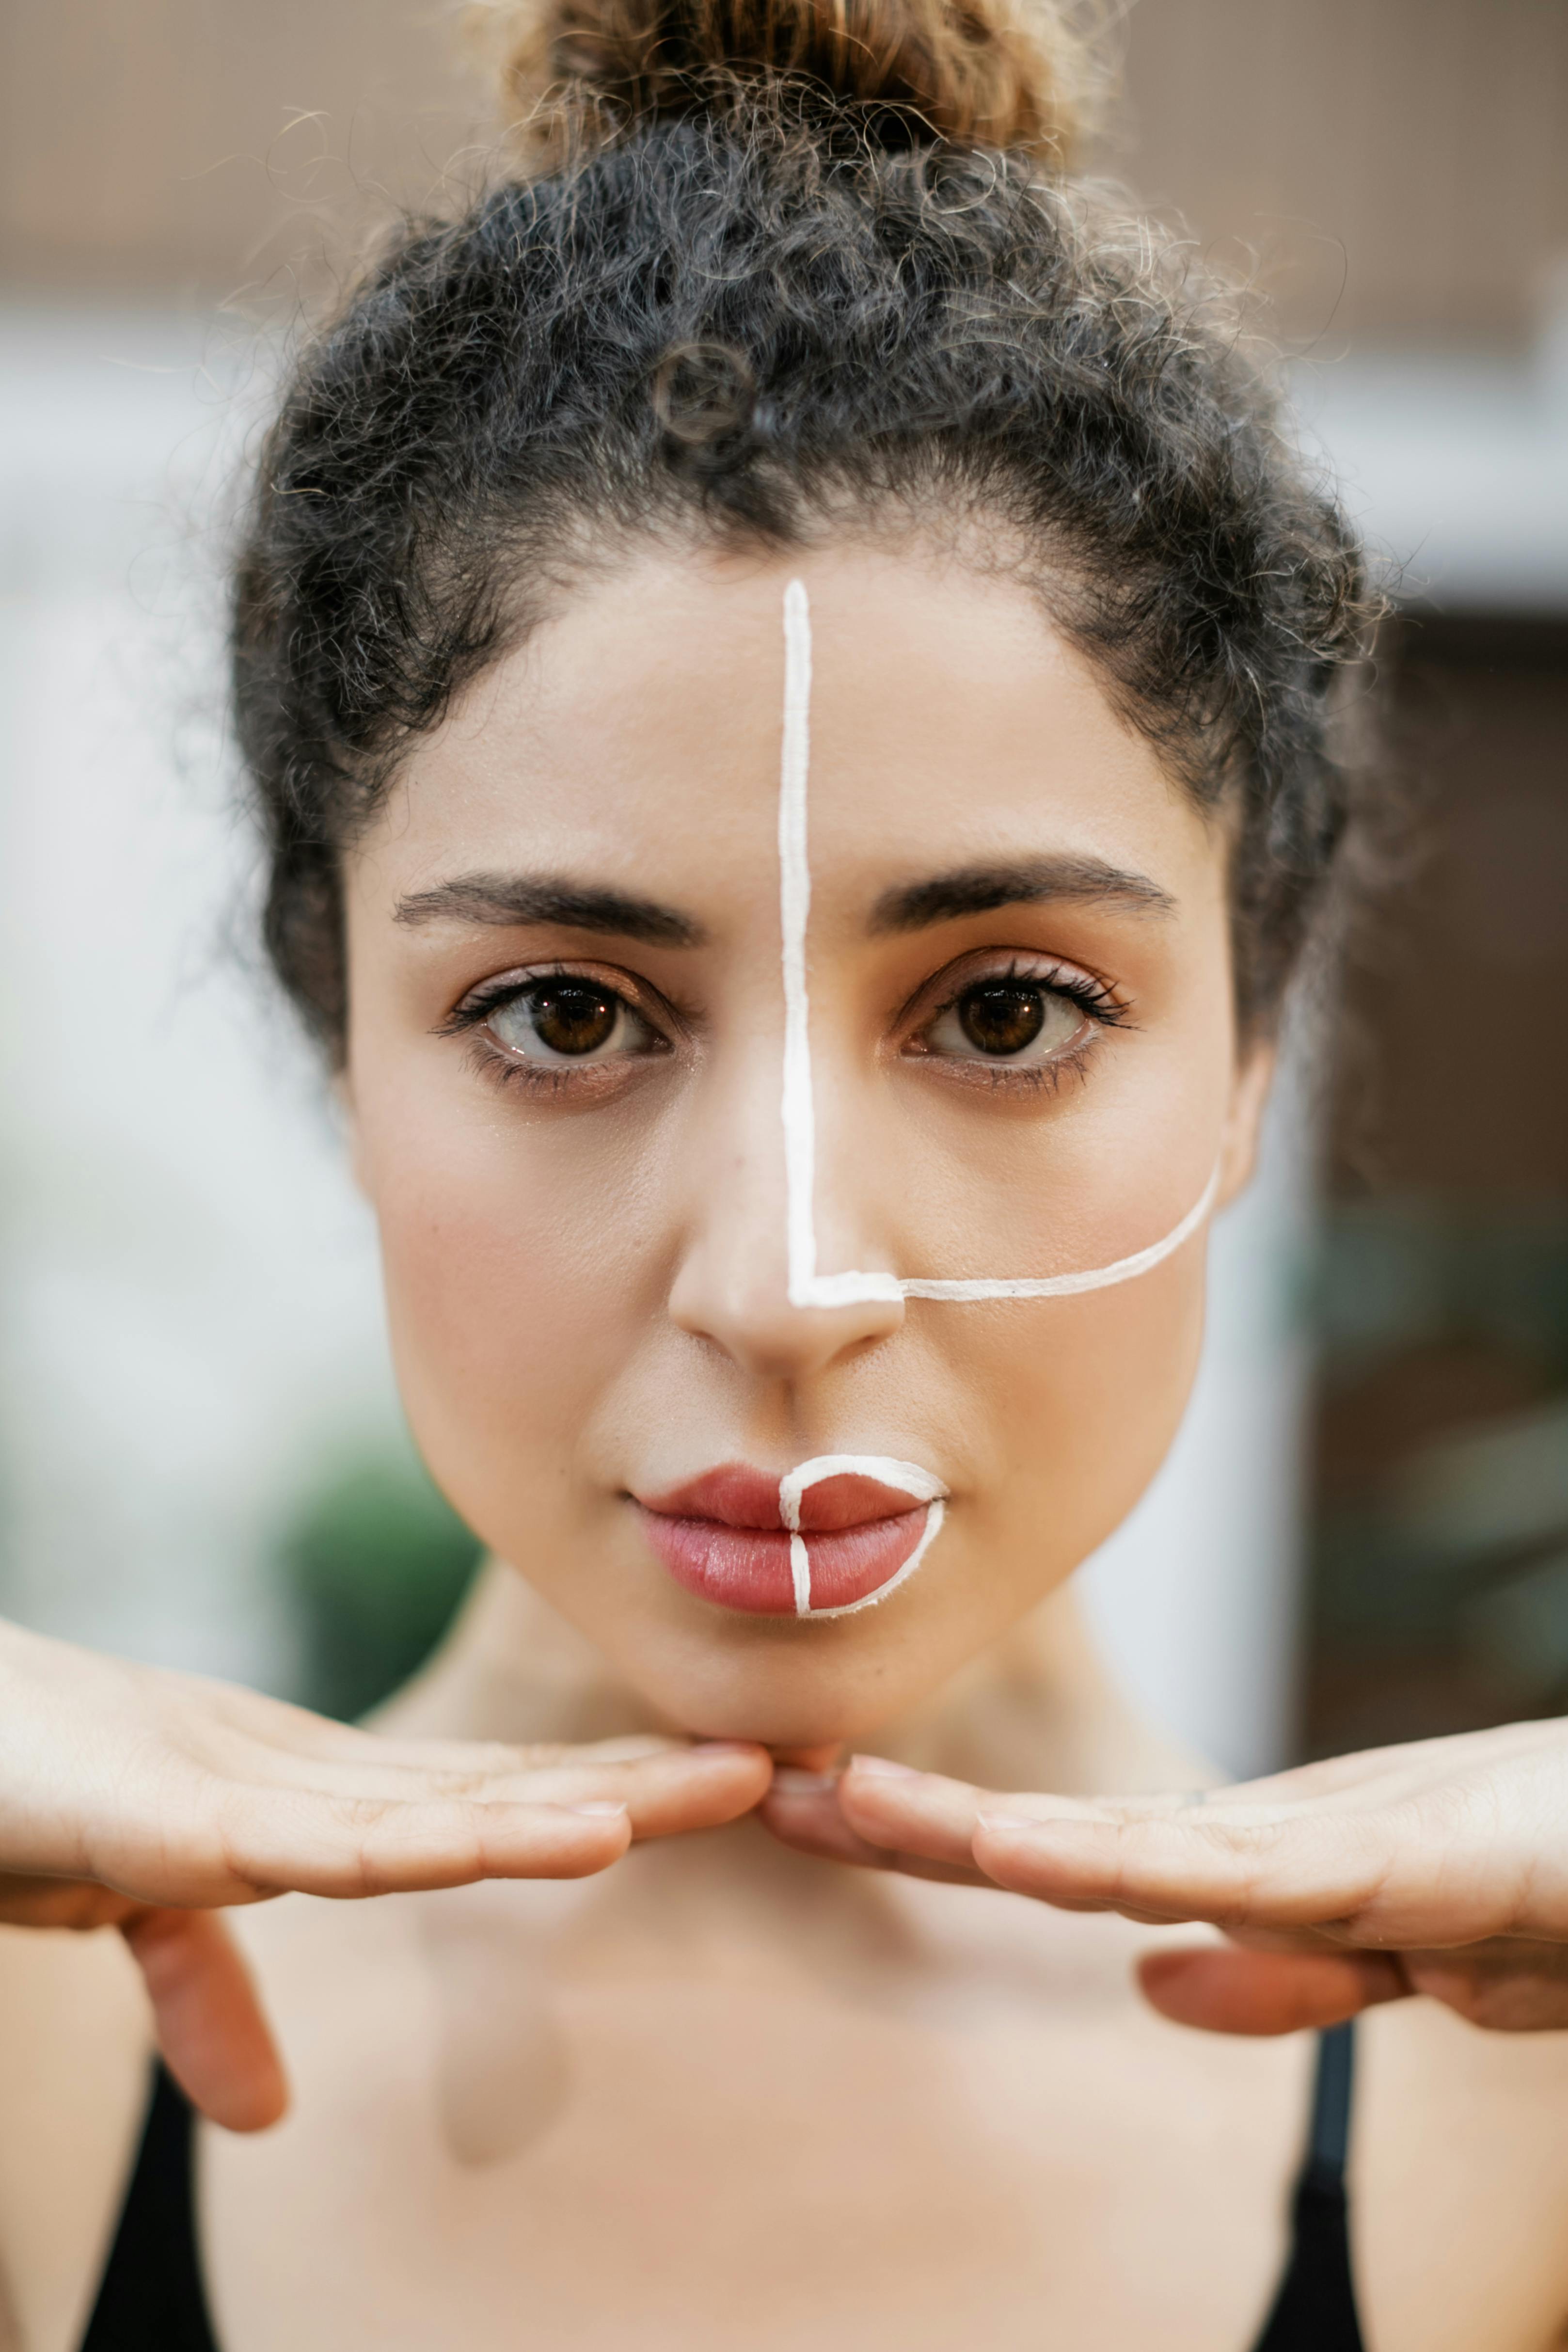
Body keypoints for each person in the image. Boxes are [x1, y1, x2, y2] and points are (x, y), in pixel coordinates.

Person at [3, 3, 1568, 2346]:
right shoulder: (33, 2048)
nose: (786, 1276)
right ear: (343, 1054)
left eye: (1005, 1011)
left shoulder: (1506, 2112)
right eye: (563, 1015)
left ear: (1247, 1056)